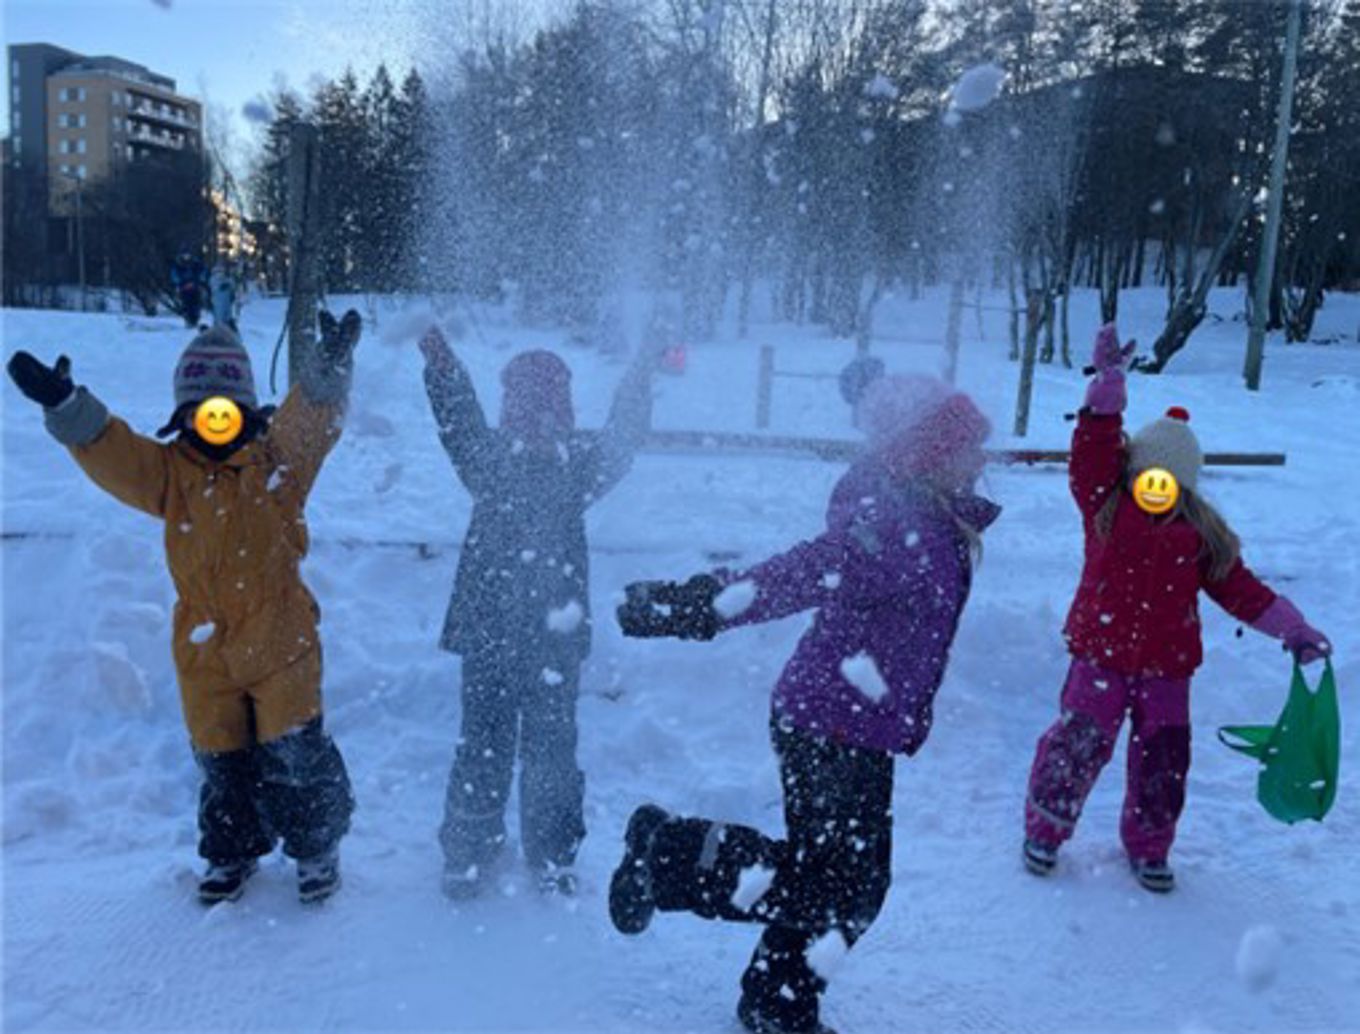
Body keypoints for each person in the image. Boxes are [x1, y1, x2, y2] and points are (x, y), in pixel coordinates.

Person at [610, 375, 998, 1034]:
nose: (982, 459)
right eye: (969, 446)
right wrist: (697, 605)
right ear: (932, 452)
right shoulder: (895, 530)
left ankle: (777, 1000)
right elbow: (789, 578)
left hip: (849, 724)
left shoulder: (927, 521)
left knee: (836, 880)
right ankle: (669, 854)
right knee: (842, 886)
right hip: (832, 726)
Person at [5, 311, 363, 906]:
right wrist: (67, 406)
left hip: (281, 639)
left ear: (246, 410)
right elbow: (114, 452)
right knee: (220, 760)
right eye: (203, 410)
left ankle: (315, 847)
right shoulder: (170, 475)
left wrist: (328, 365)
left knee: (296, 752)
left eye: (225, 409)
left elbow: (311, 421)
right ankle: (232, 851)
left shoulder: (279, 464)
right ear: (184, 413)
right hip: (205, 647)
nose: (214, 422)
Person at [1022, 324, 1331, 893]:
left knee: (1163, 762)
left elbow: (1243, 590)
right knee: (1077, 743)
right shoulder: (1105, 509)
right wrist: (1107, 391)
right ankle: (1045, 828)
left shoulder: (1199, 535)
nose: (1152, 487)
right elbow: (1091, 452)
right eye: (1144, 476)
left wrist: (1294, 630)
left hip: (1167, 668)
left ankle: (1149, 846)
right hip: (1100, 656)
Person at [419, 326, 655, 898]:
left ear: (566, 411)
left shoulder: (576, 466)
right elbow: (459, 425)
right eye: (527, 405)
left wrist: (639, 375)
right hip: (491, 633)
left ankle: (550, 853)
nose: (540, 418)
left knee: (550, 749)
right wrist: (445, 373)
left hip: (551, 634)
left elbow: (623, 440)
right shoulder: (491, 460)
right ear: (509, 410)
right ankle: (471, 852)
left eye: (551, 406)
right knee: (484, 744)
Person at [170, 249, 208, 328]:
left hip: (195, 287)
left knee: (196, 304)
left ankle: (195, 319)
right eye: (184, 255)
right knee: (186, 305)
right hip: (184, 288)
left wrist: (199, 281)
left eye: (187, 254)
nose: (186, 256)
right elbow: (174, 275)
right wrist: (180, 283)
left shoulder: (196, 263)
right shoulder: (178, 264)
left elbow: (203, 272)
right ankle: (188, 320)